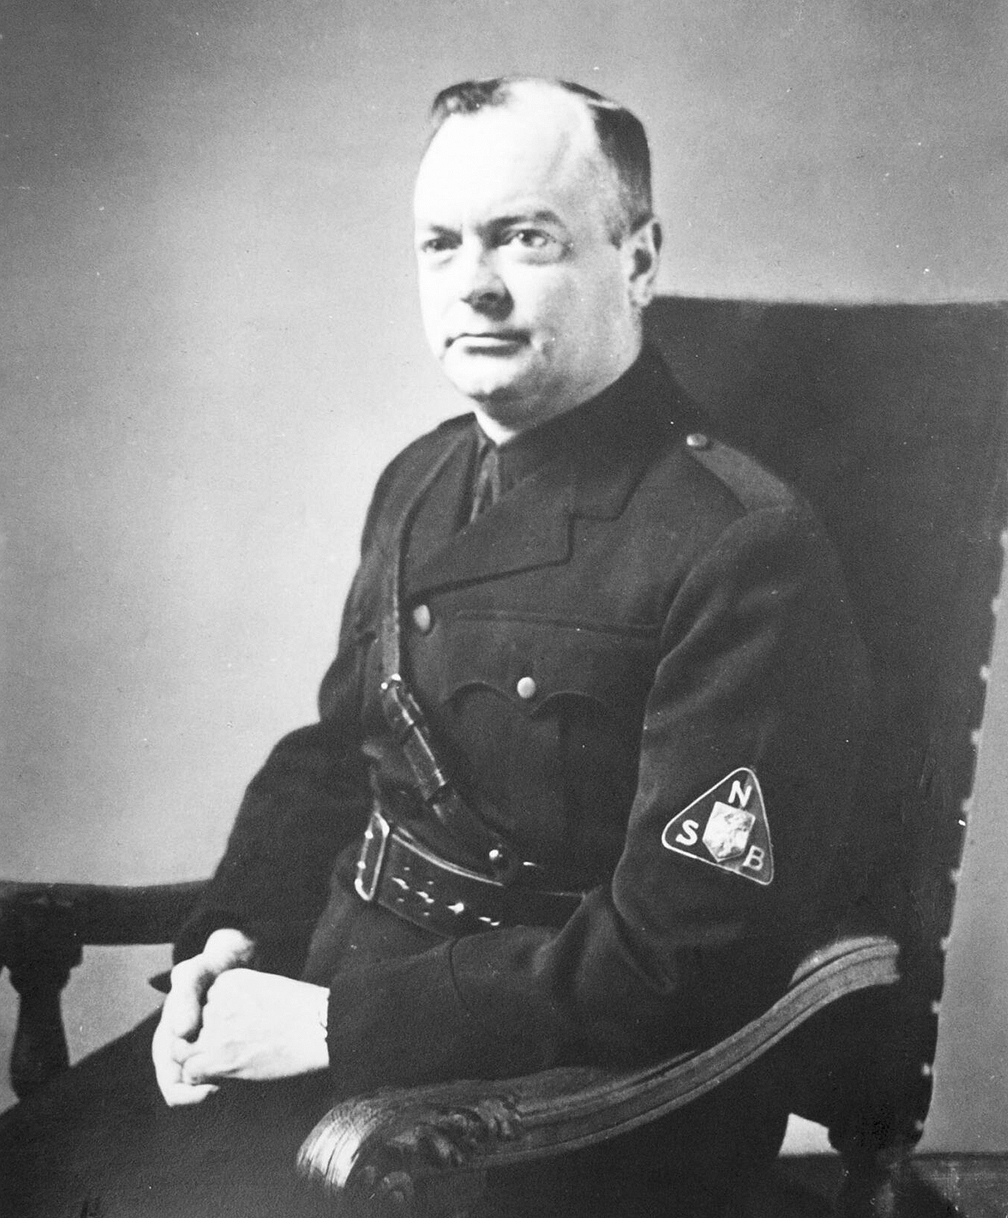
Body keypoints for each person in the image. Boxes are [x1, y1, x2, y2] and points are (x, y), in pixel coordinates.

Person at [1, 77, 873, 1217]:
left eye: (526, 238)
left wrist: (335, 1028)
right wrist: (229, 947)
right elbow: (336, 759)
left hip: (555, 1107)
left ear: (639, 259)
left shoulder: (740, 545)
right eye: (441, 243)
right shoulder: (419, 480)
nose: (475, 284)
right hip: (329, 1004)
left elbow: (678, 959)